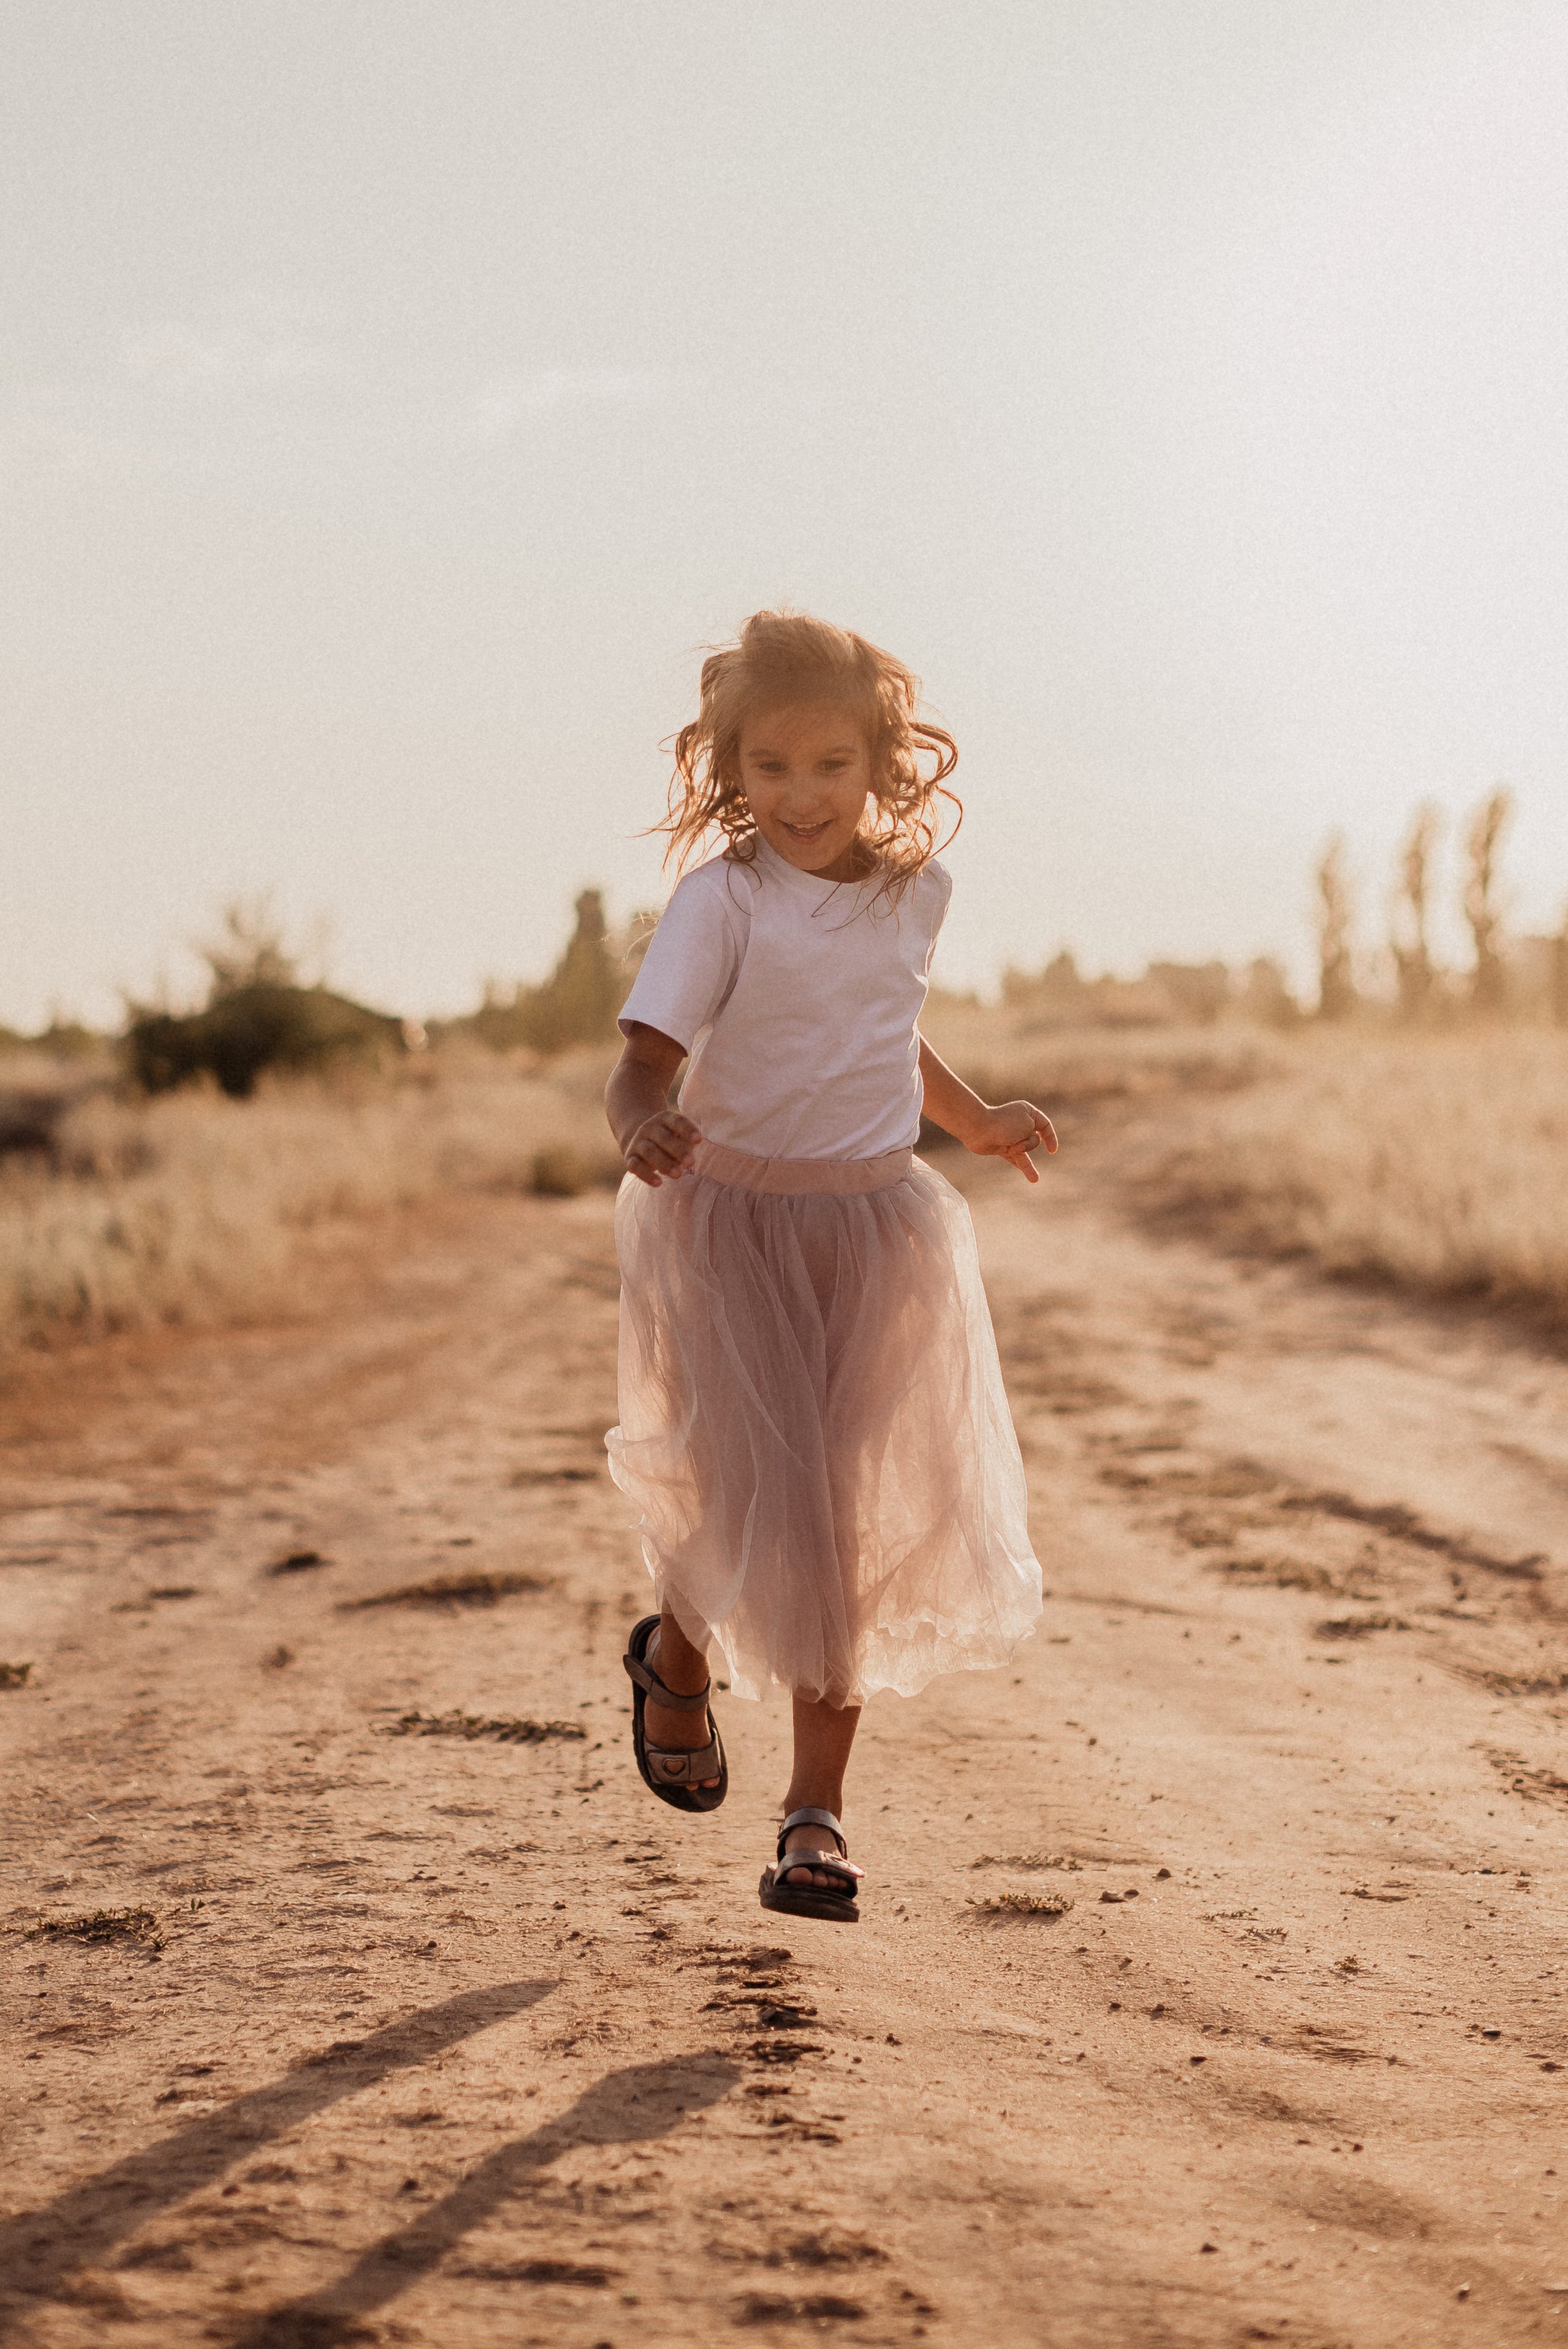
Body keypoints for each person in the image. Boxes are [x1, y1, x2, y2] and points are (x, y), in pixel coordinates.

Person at [603, 611, 1054, 1924]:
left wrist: (971, 1124)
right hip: (730, 1222)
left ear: (881, 764)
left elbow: (887, 1027)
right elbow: (642, 1058)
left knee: (840, 1520)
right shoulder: (722, 900)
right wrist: (640, 1124)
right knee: (738, 1499)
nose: (800, 797)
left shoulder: (918, 893)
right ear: (727, 771)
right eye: (768, 769)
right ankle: (676, 1662)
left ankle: (814, 1819)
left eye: (829, 766)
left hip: (875, 1229)